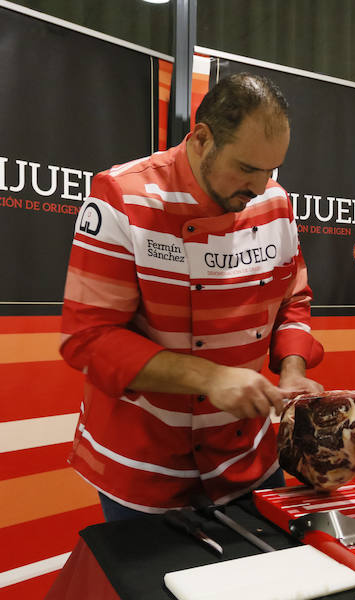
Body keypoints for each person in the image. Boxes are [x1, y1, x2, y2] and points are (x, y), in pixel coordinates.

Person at [59, 73, 324, 520]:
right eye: (246, 168)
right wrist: (209, 378)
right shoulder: (121, 198)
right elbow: (88, 339)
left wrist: (293, 370)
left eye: (270, 170)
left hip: (247, 461)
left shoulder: (275, 203)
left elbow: (293, 302)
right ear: (202, 139)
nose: (259, 188)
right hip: (143, 468)